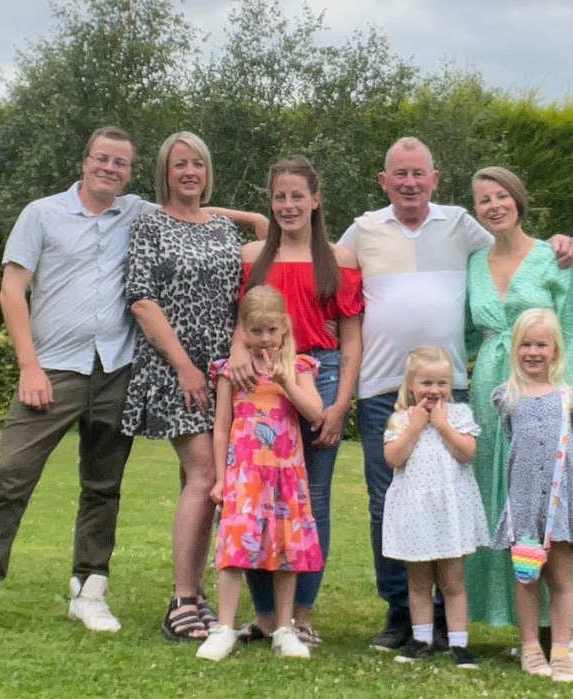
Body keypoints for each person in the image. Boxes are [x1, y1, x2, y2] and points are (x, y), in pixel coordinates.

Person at [339, 136, 573, 650]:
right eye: (399, 174)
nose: (409, 183)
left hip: (452, 390)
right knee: (389, 504)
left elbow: (513, 241)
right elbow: (317, 264)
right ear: (383, 181)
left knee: (450, 499)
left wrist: (561, 242)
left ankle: (449, 616)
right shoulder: (363, 229)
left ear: (434, 179)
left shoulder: (461, 225)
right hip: (383, 391)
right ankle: (401, 614)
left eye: (418, 174)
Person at [0, 126, 153, 638]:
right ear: (85, 161)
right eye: (102, 158)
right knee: (11, 476)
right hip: (52, 369)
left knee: (103, 487)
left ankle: (89, 592)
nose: (109, 168)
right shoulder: (41, 214)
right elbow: (12, 291)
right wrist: (28, 367)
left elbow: (192, 212)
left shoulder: (138, 213)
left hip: (115, 369)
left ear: (129, 172)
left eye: (120, 163)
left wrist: (256, 220)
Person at [119, 131, 268, 643]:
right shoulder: (149, 226)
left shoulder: (224, 229)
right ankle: (183, 599)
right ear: (164, 172)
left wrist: (236, 354)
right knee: (204, 475)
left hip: (226, 370)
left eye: (197, 164)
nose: (189, 172)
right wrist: (184, 366)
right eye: (179, 164)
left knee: (205, 482)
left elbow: (258, 248)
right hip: (174, 369)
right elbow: (141, 300)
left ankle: (199, 594)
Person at [465, 166, 573, 664]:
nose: (494, 206)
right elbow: (463, 330)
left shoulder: (552, 257)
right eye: (484, 200)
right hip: (492, 395)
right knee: (506, 502)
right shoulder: (474, 262)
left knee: (555, 502)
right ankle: (520, 624)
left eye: (501, 196)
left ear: (519, 201)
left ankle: (569, 626)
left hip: (547, 398)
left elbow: (572, 329)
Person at [231, 156, 362, 647]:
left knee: (313, 500)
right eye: (279, 197)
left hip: (318, 376)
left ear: (315, 199)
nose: (288, 205)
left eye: (297, 196)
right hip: (262, 380)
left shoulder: (340, 259)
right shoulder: (252, 257)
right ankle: (266, 615)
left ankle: (301, 614)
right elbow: (241, 323)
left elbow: (352, 339)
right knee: (257, 497)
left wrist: (340, 404)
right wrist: (238, 354)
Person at [197, 285, 325, 661]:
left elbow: (315, 413)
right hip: (244, 474)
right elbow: (221, 426)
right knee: (235, 546)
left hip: (286, 475)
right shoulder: (231, 371)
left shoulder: (299, 368)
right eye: (256, 331)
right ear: (244, 331)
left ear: (284, 327)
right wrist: (221, 478)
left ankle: (284, 628)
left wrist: (286, 382)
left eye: (271, 330)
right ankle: (223, 627)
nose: (265, 338)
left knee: (286, 549)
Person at [490, 309, 573, 683]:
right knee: (527, 579)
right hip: (524, 506)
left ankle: (562, 651)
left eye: (541, 344)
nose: (533, 352)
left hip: (560, 505)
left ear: (555, 350)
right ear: (515, 349)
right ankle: (531, 646)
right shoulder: (507, 397)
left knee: (562, 578)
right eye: (526, 344)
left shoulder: (570, 398)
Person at [382, 346, 488, 670]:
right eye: (426, 383)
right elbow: (393, 458)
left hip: (449, 513)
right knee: (418, 582)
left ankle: (459, 643)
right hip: (416, 513)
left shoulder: (459, 416)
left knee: (453, 581)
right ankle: (421, 639)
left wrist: (442, 426)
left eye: (441, 383)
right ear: (411, 385)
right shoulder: (401, 420)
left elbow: (467, 452)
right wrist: (415, 427)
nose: (434, 390)